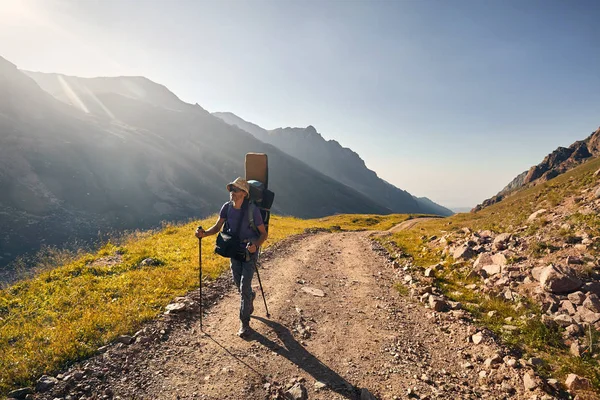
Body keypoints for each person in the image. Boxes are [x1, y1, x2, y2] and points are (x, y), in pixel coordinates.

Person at [195, 177, 268, 337]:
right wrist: (204, 233)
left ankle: (244, 323)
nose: (232, 193)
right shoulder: (226, 208)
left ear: (244, 193)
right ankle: (250, 296)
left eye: (235, 190)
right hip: (234, 251)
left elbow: (263, 233)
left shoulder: (252, 210)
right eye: (231, 190)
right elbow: (217, 227)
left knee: (244, 286)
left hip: (250, 253)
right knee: (238, 284)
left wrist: (256, 245)